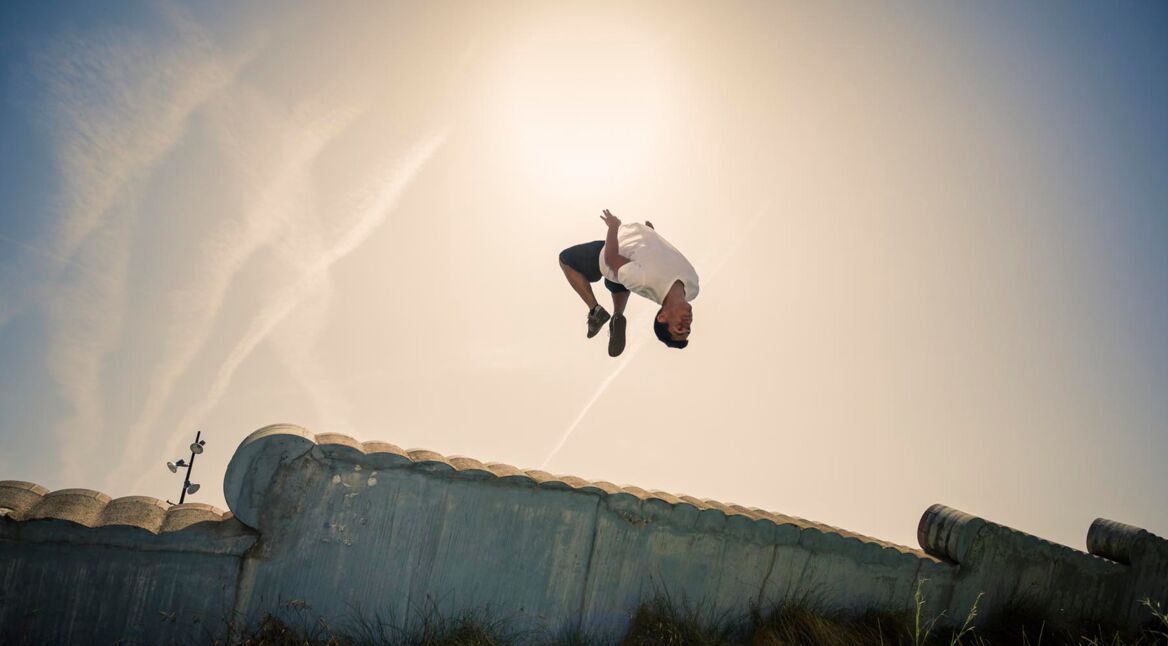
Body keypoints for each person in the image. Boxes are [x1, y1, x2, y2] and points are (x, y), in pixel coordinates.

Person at [557, 209, 699, 357]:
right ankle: (617, 315)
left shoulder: (645, 280)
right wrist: (652, 235)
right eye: (687, 328)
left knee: (566, 259)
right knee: (622, 280)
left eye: (679, 327)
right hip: (632, 261)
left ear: (662, 317)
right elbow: (662, 259)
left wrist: (613, 226)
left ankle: (595, 310)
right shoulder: (693, 286)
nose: (687, 323)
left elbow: (611, 258)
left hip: (609, 255)